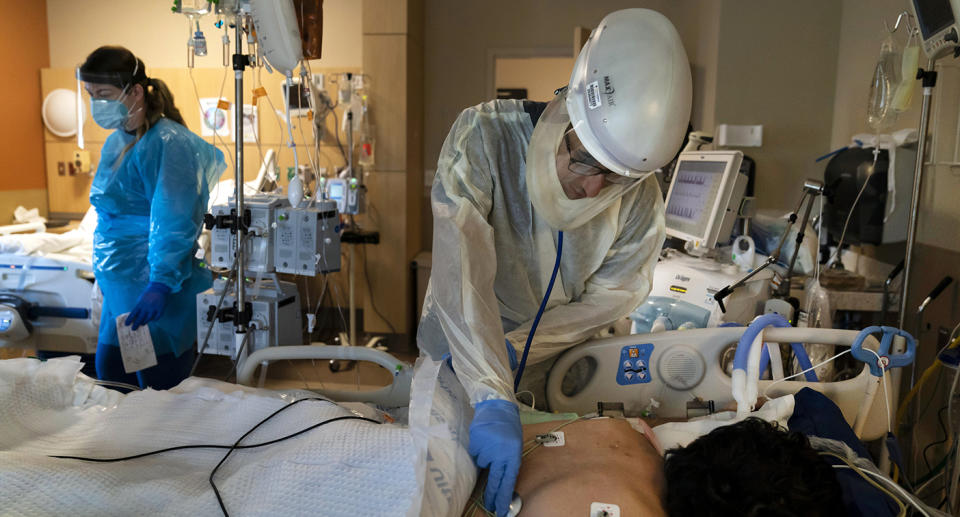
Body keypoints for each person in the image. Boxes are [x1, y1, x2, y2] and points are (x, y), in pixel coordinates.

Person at [418, 9, 692, 517]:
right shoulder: (484, 138)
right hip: (462, 357)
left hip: (557, 376)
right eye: (584, 159)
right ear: (568, 109)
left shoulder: (638, 199)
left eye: (614, 178)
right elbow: (462, 270)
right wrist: (488, 384)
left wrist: (515, 354)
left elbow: (610, 298)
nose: (591, 188)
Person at [79, 46, 225, 390]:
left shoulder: (169, 143)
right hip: (121, 288)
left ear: (134, 92)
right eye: (91, 95)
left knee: (157, 394)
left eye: (104, 94)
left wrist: (160, 283)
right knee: (113, 381)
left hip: (151, 288)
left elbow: (174, 219)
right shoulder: (117, 142)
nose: (96, 103)